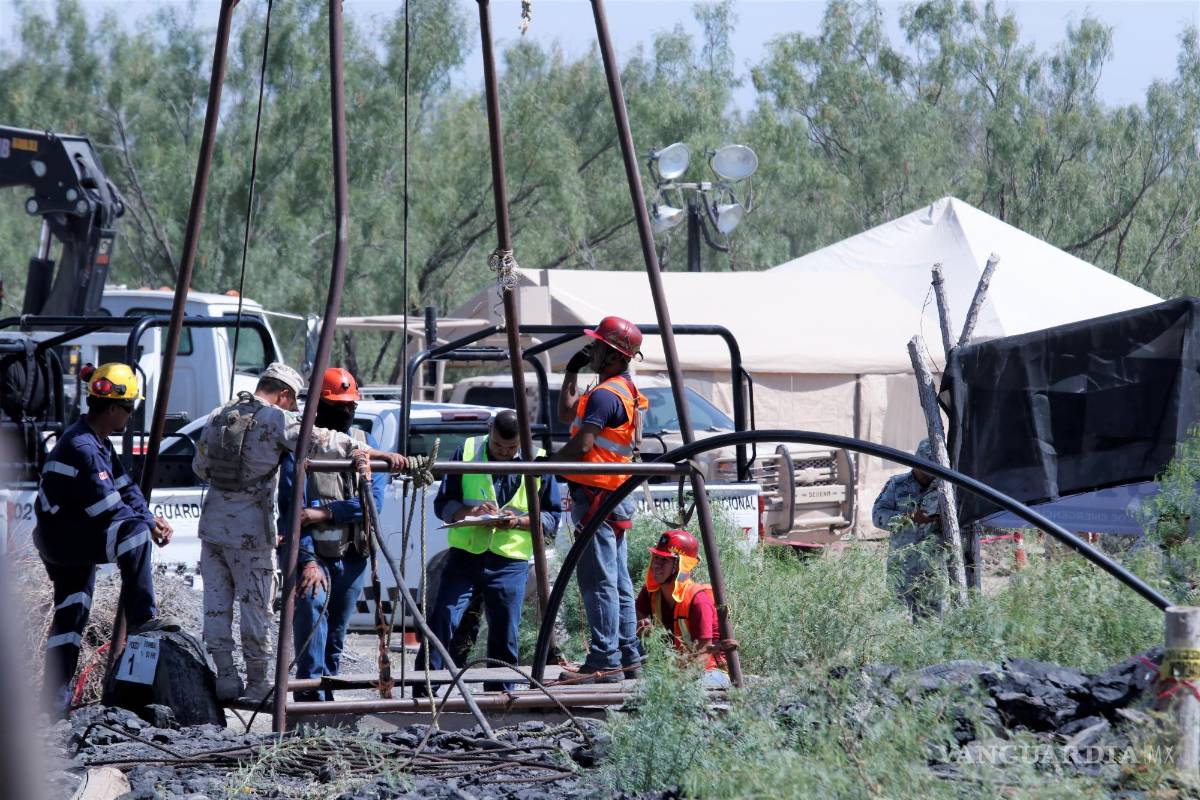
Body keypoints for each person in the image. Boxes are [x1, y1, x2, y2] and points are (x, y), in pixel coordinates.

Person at [193, 362, 406, 703]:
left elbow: (200, 466)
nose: (294, 410)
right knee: (255, 611)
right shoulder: (275, 418)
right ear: (284, 394)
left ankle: (227, 681)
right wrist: (371, 453)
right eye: (292, 404)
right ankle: (259, 685)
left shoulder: (219, 414)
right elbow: (320, 439)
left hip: (213, 527)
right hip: (250, 533)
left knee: (216, 611)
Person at [34, 363, 179, 716]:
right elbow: (107, 508)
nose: (129, 417)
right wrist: (146, 526)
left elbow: (125, 487)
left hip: (67, 538)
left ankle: (54, 701)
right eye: (129, 409)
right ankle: (144, 618)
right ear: (112, 408)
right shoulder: (82, 446)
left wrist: (149, 517)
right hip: (64, 540)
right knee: (133, 535)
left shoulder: (95, 441)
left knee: (71, 616)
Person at [416, 409, 562, 692]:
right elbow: (443, 504)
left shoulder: (539, 460)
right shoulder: (468, 450)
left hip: (510, 562)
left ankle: (500, 695)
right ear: (490, 431)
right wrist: (466, 512)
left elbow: (551, 518)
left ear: (525, 440)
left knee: (505, 631)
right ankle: (424, 689)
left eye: (512, 448)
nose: (505, 453)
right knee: (443, 618)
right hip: (465, 558)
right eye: (498, 446)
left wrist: (517, 521)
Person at [548, 316, 650, 684]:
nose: (591, 350)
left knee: (598, 581)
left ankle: (604, 659)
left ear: (612, 353)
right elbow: (565, 415)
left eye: (597, 346)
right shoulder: (618, 390)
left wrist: (547, 464)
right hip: (610, 495)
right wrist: (570, 374)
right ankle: (627, 657)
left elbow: (584, 444)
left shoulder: (607, 395)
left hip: (597, 495)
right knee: (617, 579)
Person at [276, 367, 386, 702]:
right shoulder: (302, 447)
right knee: (311, 619)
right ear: (320, 407)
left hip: (352, 557)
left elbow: (372, 503)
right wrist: (306, 561)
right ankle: (308, 705)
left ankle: (329, 708)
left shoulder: (365, 445)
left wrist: (324, 513)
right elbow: (293, 511)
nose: (345, 414)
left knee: (335, 637)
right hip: (315, 559)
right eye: (339, 408)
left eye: (349, 407)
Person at [635, 529, 736, 688]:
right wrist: (643, 628)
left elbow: (703, 657)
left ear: (681, 566)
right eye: (655, 557)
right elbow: (638, 616)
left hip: (710, 672)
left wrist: (673, 686)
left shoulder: (697, 601)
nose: (656, 565)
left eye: (664, 560)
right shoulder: (650, 592)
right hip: (676, 670)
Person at [872, 439, 948, 619]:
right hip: (902, 570)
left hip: (932, 569)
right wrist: (910, 518)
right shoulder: (896, 485)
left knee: (931, 621)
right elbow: (878, 516)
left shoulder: (944, 488)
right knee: (899, 622)